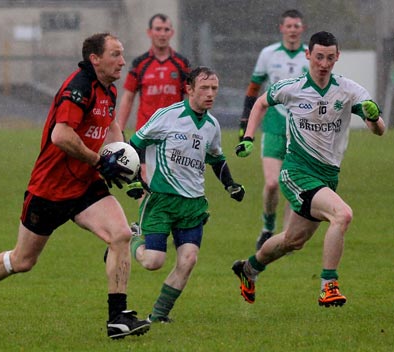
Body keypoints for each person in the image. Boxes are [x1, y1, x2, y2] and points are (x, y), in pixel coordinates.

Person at [0, 33, 151, 339]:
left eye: (122, 54)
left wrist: (127, 161)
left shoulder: (108, 92)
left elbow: (111, 126)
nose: (123, 61)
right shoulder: (79, 87)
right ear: (95, 58)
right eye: (115, 54)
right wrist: (98, 161)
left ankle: (118, 318)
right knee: (23, 260)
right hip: (50, 188)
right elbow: (61, 135)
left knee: (121, 234)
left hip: (85, 186)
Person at [233, 31, 385, 307]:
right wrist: (248, 137)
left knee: (293, 240)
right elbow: (261, 102)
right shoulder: (292, 87)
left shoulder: (349, 90)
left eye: (329, 57)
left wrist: (374, 118)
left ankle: (248, 269)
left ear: (337, 57)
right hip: (297, 172)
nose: (324, 63)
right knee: (342, 215)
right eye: (318, 57)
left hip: (327, 176)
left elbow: (379, 130)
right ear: (308, 56)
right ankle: (329, 286)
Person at [128, 66, 245, 322]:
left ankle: (158, 315)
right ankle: (134, 237)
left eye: (214, 88)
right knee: (153, 261)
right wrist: (136, 180)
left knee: (188, 260)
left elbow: (216, 158)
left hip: (193, 205)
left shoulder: (212, 125)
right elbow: (133, 145)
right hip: (161, 200)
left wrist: (230, 184)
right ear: (189, 89)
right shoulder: (167, 116)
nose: (210, 93)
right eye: (204, 88)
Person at [238, 9, 309, 250]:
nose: (292, 29)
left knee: (293, 183)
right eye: (288, 26)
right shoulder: (268, 54)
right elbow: (253, 89)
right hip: (273, 127)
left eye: (296, 25)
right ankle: (268, 226)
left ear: (302, 28)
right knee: (271, 183)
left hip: (300, 131)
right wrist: (244, 122)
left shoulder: (310, 55)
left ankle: (288, 236)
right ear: (282, 28)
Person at [117, 13, 190, 191]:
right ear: (149, 32)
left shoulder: (181, 63)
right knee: (144, 180)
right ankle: (145, 220)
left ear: (172, 33)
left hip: (174, 135)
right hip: (146, 133)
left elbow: (190, 98)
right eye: (158, 29)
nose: (162, 34)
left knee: (171, 184)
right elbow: (128, 97)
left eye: (166, 29)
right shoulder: (140, 63)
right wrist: (119, 130)